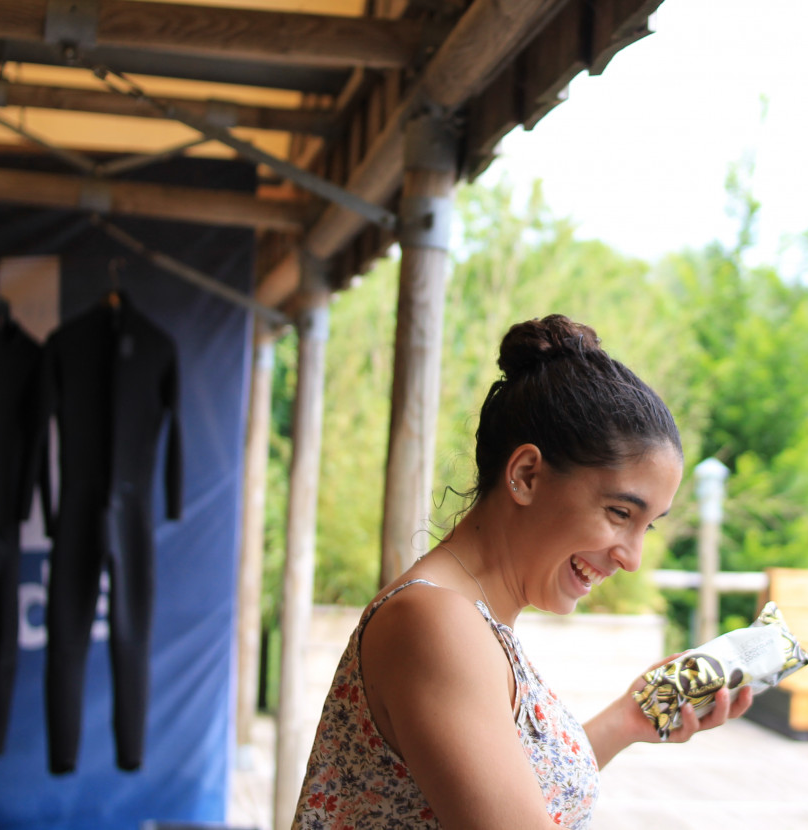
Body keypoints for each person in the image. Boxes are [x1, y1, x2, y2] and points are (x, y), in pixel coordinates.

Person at [293, 314, 753, 829]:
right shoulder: (435, 621)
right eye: (620, 513)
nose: (631, 557)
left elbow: (512, 791)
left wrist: (628, 719)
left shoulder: (466, 617)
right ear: (526, 475)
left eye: (646, 527)